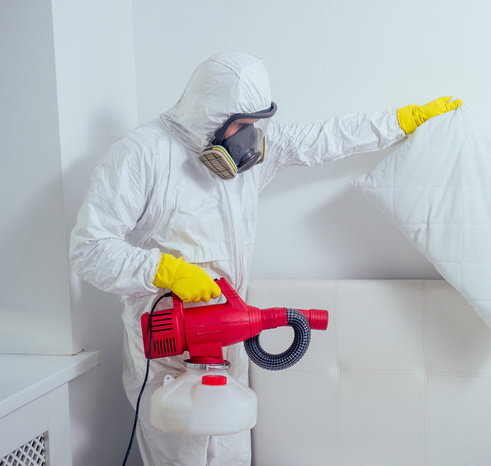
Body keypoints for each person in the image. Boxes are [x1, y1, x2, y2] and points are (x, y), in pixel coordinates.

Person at [70, 52, 461, 466]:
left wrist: (402, 121)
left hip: (228, 353)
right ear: (211, 115)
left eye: (258, 123)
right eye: (243, 124)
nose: (251, 137)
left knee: (233, 456)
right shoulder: (141, 155)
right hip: (168, 362)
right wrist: (164, 270)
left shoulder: (247, 162)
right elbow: (89, 249)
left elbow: (324, 138)